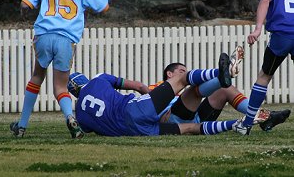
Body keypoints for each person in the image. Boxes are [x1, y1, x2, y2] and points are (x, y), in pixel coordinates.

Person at [10, 0, 109, 139]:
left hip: (44, 35)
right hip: (66, 40)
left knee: (37, 77)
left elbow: (25, 4)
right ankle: (70, 118)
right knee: (60, 87)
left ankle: (21, 125)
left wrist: (25, 12)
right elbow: (103, 5)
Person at [67, 53, 242, 136]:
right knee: (185, 82)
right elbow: (137, 86)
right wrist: (152, 98)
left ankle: (238, 124)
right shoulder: (97, 80)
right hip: (136, 110)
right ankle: (218, 74)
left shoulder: (80, 115)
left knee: (190, 129)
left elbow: (90, 129)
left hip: (136, 131)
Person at [150, 61, 290, 132]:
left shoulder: (184, 90)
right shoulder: (155, 88)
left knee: (225, 89)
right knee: (194, 90)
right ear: (169, 74)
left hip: (195, 116)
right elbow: (147, 109)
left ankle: (265, 117)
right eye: (181, 71)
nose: (185, 74)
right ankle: (221, 76)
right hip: (172, 120)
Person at [233, 0, 294, 135]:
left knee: (264, 76)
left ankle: (246, 125)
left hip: (282, 34)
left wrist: (258, 28)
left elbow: (265, 1)